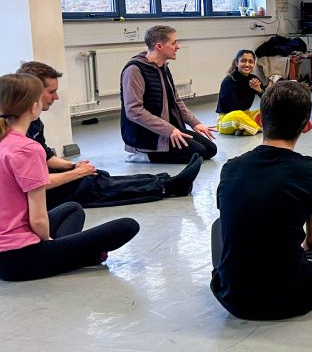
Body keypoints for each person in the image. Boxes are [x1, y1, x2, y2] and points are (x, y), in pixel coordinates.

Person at [211, 81, 312, 319]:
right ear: (306, 127)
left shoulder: (231, 168)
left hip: (231, 298)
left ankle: (239, 274)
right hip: (292, 297)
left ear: (259, 120)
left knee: (220, 226)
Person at [0, 74, 139, 281]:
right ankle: (81, 256)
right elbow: (38, 218)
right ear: (33, 106)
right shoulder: (28, 149)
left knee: (72, 209)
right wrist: (48, 242)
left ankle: (72, 254)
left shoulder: (5, 141)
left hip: (6, 254)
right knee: (128, 225)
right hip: (19, 259)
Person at [16, 61, 201, 209]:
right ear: (33, 91)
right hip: (32, 194)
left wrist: (75, 165)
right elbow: (36, 183)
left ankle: (164, 179)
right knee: (89, 186)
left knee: (97, 175)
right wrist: (76, 173)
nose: (56, 97)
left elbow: (46, 157)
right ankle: (167, 187)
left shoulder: (32, 121)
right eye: (51, 92)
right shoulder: (15, 134)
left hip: (40, 179)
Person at [120, 25, 218, 163]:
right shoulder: (134, 70)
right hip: (148, 136)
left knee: (210, 149)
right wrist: (169, 129)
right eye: (173, 43)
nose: (177, 46)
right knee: (199, 153)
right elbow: (134, 111)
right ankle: (143, 155)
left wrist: (194, 123)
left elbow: (176, 100)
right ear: (159, 46)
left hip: (169, 129)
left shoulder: (163, 67)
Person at [216, 49, 263, 135]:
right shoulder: (228, 81)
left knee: (267, 112)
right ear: (236, 63)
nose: (247, 64)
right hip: (228, 118)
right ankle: (258, 129)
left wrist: (259, 90)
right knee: (237, 115)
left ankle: (244, 129)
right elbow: (233, 108)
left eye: (251, 62)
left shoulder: (254, 79)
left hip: (246, 116)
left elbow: (268, 101)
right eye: (243, 61)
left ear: (254, 64)